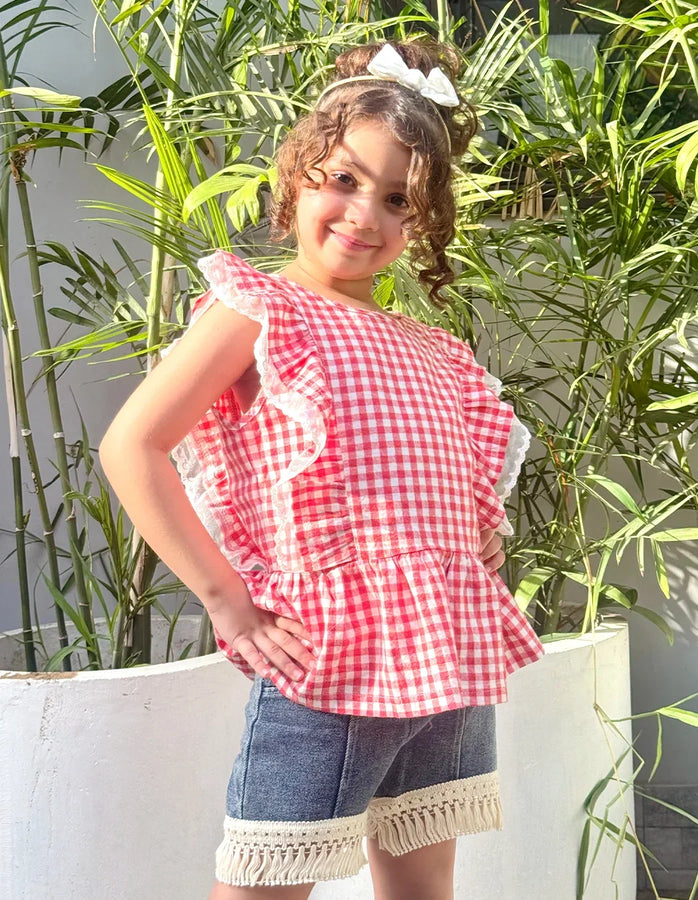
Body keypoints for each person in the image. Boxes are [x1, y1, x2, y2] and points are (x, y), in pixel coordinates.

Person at [100, 38, 544, 900]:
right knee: (267, 880)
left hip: (449, 659)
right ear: (298, 174)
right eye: (342, 180)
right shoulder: (259, 310)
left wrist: (480, 539)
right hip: (328, 658)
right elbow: (132, 446)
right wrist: (227, 599)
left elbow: (447, 478)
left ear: (423, 221)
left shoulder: (434, 350)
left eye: (395, 199)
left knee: (423, 884)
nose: (362, 215)